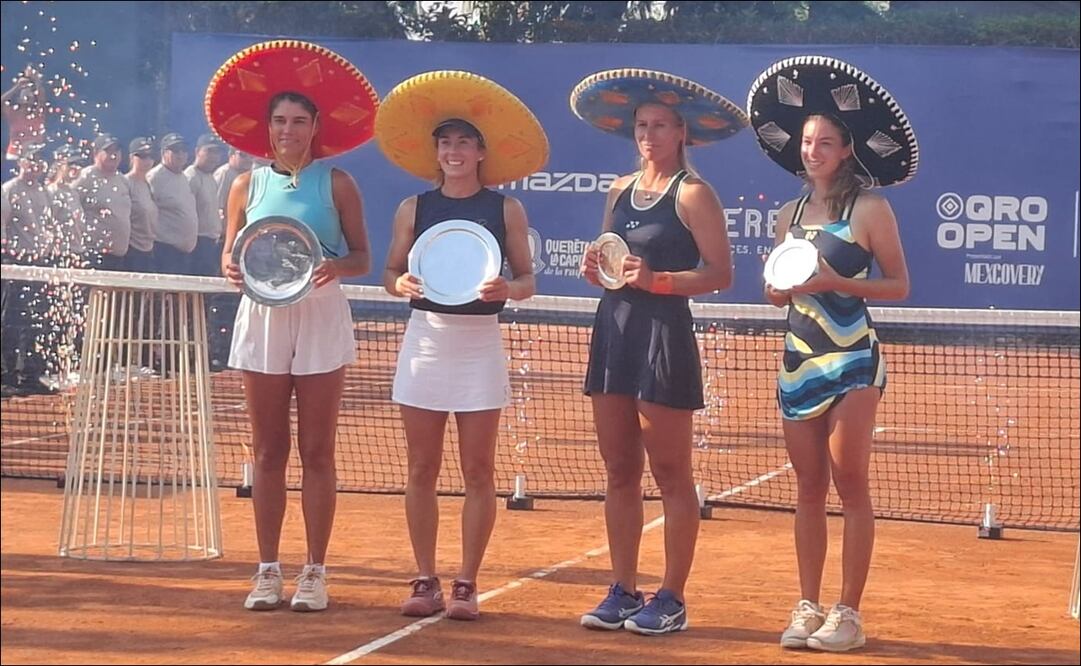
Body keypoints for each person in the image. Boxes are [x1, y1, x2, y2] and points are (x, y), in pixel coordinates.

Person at [747, 56, 917, 652]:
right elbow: (775, 294)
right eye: (806, 141)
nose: (811, 150)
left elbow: (899, 286)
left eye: (824, 142)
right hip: (799, 361)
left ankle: (848, 613)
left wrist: (837, 283)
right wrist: (778, 289)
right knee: (808, 488)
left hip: (853, 361)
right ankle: (807, 605)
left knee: (850, 480)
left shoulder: (869, 209)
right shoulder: (785, 216)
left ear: (845, 151)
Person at [570, 69, 746, 635]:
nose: (648, 134)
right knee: (620, 468)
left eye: (660, 126)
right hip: (614, 332)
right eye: (641, 126)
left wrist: (660, 281)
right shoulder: (619, 190)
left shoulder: (694, 193)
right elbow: (610, 255)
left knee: (671, 472)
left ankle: (671, 596)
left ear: (680, 133)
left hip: (663, 335)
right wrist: (597, 268)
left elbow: (720, 274)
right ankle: (622, 589)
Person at [208, 39, 378, 612]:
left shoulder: (338, 183)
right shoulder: (244, 185)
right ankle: (267, 569)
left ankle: (314, 571)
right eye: (279, 120)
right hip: (261, 315)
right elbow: (230, 255)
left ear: (314, 127)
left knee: (318, 450)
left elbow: (362, 258)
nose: (288, 130)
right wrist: (232, 266)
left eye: (298, 121)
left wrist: (334, 267)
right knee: (266, 449)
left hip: (321, 313)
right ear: (268, 127)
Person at [377, 71, 548, 621]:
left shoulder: (505, 211)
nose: (454, 151)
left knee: (478, 470)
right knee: (421, 467)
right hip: (425, 342)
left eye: (464, 142)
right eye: (445, 142)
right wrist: (398, 284)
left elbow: (526, 281)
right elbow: (389, 271)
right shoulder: (413, 208)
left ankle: (466, 582)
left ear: (480, 152)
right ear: (438, 152)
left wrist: (508, 290)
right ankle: (424, 578)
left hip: (479, 344)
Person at [72, 134, 132, 270]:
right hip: (94, 254)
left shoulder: (123, 180)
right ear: (96, 153)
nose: (113, 155)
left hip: (120, 255)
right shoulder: (85, 177)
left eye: (116, 151)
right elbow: (70, 208)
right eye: (108, 151)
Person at [147, 133, 198, 275]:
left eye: (183, 150)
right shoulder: (154, 177)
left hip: (185, 253)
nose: (180, 154)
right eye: (175, 150)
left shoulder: (183, 176)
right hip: (164, 250)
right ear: (164, 153)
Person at [124, 137, 158, 273]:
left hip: (148, 248)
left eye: (150, 156)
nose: (147, 161)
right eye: (142, 156)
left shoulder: (148, 184)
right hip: (131, 250)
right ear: (132, 157)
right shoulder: (125, 182)